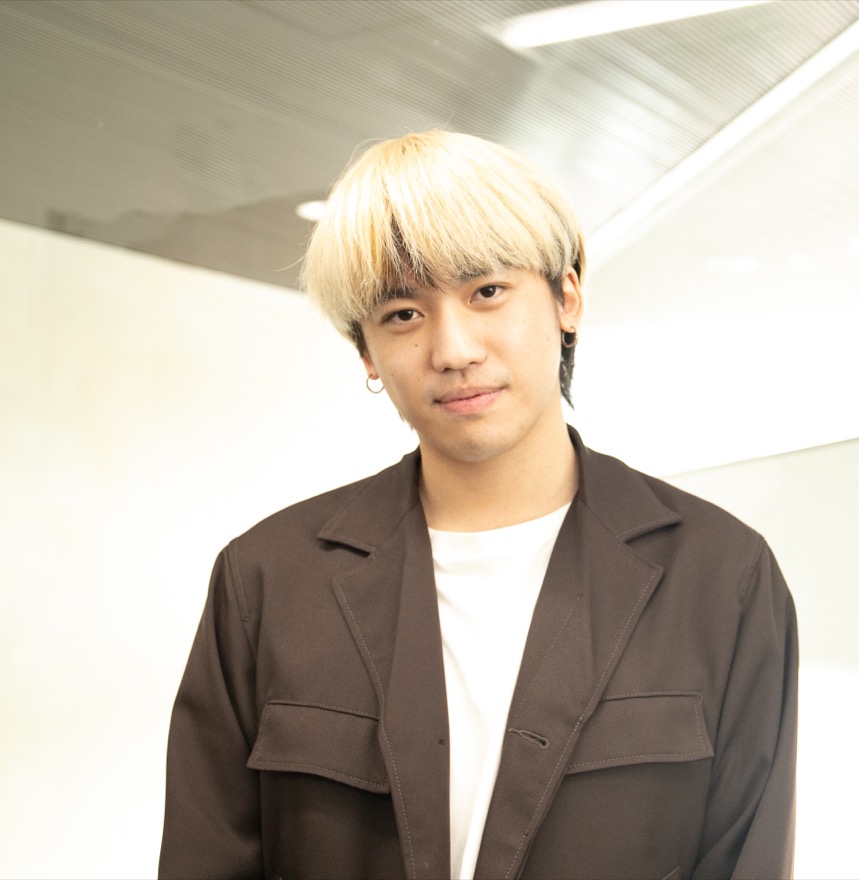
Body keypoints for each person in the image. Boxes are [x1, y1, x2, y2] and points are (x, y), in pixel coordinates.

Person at [158, 130, 798, 880]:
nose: (454, 349)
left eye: (487, 291)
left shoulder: (721, 577)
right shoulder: (267, 580)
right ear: (366, 351)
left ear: (566, 298)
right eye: (403, 313)